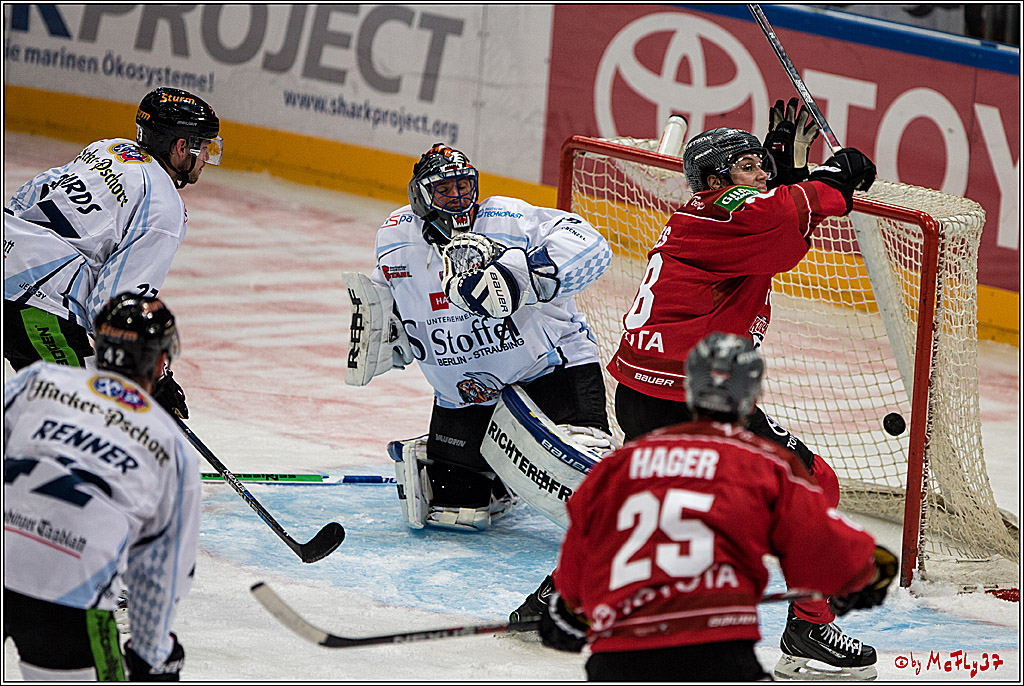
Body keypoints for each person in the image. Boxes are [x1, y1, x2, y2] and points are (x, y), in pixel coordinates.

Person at [604, 99, 881, 678]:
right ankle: (808, 629)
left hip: (651, 390)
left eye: (761, 166)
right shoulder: (729, 210)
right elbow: (782, 215)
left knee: (668, 507)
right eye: (748, 167)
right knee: (810, 484)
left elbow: (773, 226)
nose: (761, 176)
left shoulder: (713, 217)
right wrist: (834, 178)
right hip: (690, 395)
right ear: (714, 181)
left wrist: (787, 170)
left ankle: (565, 595)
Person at [344, 142, 614, 623]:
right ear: (419, 195)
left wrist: (526, 276)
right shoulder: (394, 236)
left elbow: (591, 243)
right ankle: (500, 474)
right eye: (444, 189)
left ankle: (520, 458)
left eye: (464, 186)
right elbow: (393, 295)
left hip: (550, 374)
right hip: (463, 393)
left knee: (584, 490)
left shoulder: (507, 218)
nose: (458, 197)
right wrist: (388, 331)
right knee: (456, 510)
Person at [540, 332, 898, 681]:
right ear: (752, 396)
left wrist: (569, 610)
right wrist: (871, 570)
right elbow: (823, 542)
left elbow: (578, 554)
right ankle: (809, 631)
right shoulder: (764, 465)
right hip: (715, 652)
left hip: (618, 657)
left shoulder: (620, 466)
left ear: (688, 389)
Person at [4, 292, 202, 680]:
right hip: (70, 590)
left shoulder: (40, 380)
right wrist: (153, 653)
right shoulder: (172, 447)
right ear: (160, 361)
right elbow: (161, 572)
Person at [4, 86, 223, 419]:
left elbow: (28, 196)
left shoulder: (108, 148)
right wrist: (154, 378)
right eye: (204, 146)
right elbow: (112, 307)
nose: (207, 157)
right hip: (35, 297)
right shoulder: (164, 207)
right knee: (89, 418)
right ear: (181, 147)